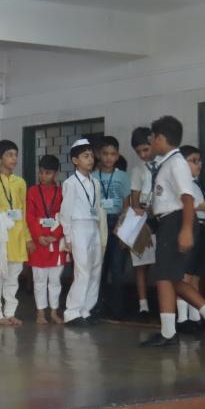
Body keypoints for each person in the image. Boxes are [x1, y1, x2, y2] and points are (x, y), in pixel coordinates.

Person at [141, 116, 205, 347]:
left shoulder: (176, 163)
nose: (151, 142)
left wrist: (185, 230)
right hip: (168, 221)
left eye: (152, 138)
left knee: (164, 277)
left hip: (176, 221)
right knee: (169, 276)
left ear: (160, 138)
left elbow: (187, 198)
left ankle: (169, 333)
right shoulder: (167, 163)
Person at [0, 140, 33, 327]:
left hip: (18, 236)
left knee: (13, 278)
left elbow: (24, 211)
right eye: (9, 155)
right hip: (0, 237)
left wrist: (27, 237)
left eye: (15, 154)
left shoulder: (20, 182)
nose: (14, 158)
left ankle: (10, 312)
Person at [60, 139, 102, 327]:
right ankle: (72, 312)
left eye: (91, 155)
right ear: (75, 160)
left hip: (93, 226)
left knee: (95, 270)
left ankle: (86, 310)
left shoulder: (95, 183)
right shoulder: (71, 183)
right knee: (83, 270)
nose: (90, 159)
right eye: (86, 156)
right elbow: (66, 211)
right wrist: (68, 236)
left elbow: (97, 208)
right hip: (78, 227)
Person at [175, 145, 205, 333]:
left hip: (203, 227)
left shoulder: (196, 183)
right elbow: (188, 204)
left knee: (196, 274)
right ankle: (182, 318)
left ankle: (194, 316)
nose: (198, 165)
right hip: (190, 226)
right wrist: (203, 206)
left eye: (199, 161)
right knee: (185, 274)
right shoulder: (182, 183)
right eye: (193, 161)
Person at [91, 136, 130, 321]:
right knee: (99, 268)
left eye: (112, 154)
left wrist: (122, 225)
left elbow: (127, 204)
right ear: (99, 155)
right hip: (98, 223)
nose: (108, 157)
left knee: (117, 269)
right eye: (105, 154)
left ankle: (118, 310)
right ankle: (96, 307)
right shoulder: (92, 176)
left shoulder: (123, 176)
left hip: (117, 223)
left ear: (117, 156)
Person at [26, 154, 66, 325]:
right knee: (39, 280)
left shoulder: (62, 192)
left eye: (48, 173)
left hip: (56, 242)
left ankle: (54, 312)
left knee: (55, 280)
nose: (43, 176)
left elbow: (65, 216)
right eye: (41, 172)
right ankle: (40, 313)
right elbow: (29, 216)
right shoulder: (32, 191)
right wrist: (38, 236)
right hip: (39, 241)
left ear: (56, 174)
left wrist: (55, 235)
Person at [128, 127, 156, 318]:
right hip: (144, 218)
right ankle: (143, 305)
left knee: (162, 263)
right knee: (141, 264)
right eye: (138, 152)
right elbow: (135, 198)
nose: (143, 155)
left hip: (162, 216)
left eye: (146, 149)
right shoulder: (138, 170)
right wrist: (139, 218)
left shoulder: (163, 164)